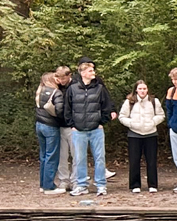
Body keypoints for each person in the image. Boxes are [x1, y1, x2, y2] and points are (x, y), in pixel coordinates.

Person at [64, 58, 116, 197]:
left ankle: (101, 185)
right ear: (83, 73)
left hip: (96, 130)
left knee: (99, 158)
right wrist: (72, 125)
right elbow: (67, 108)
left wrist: (101, 122)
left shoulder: (99, 88)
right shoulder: (72, 89)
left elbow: (106, 106)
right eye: (90, 70)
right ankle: (81, 185)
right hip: (78, 130)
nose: (94, 72)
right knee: (79, 158)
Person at [119, 80, 165, 193]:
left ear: (147, 89)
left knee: (151, 160)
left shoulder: (154, 101)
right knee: (134, 160)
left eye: (144, 88)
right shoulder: (129, 102)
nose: (142, 91)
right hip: (134, 134)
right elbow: (122, 116)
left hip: (151, 133)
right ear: (136, 90)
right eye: (140, 89)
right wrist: (131, 123)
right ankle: (135, 185)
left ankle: (152, 184)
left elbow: (161, 115)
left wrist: (153, 122)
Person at [34, 72, 64, 194]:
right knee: (51, 156)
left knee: (43, 155)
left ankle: (43, 184)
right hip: (51, 126)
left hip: (39, 124)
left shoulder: (40, 91)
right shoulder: (56, 93)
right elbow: (60, 110)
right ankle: (49, 186)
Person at [52, 65, 77, 193]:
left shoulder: (75, 86)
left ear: (69, 76)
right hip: (60, 125)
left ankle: (75, 180)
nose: (61, 80)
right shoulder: (56, 88)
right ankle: (64, 180)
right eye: (59, 78)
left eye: (63, 78)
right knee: (62, 155)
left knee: (75, 154)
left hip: (73, 125)